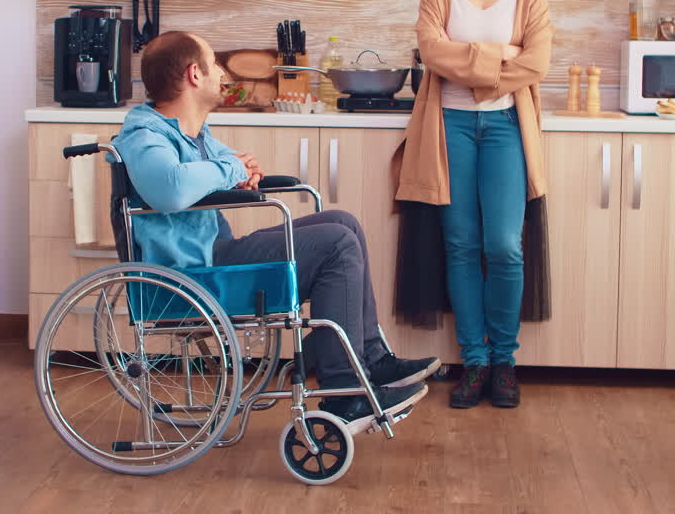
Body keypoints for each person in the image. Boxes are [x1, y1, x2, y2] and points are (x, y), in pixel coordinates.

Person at [112, 30, 438, 430]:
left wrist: (237, 169)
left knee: (341, 222)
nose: (221, 73)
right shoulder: (145, 133)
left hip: (212, 256)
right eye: (214, 64)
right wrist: (232, 169)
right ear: (194, 74)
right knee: (335, 243)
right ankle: (345, 392)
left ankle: (370, 359)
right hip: (190, 276)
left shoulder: (191, 134)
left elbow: (223, 166)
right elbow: (171, 187)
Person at [396, 0, 554, 409]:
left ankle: (504, 360)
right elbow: (432, 53)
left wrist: (476, 66)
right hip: (450, 128)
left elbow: (537, 64)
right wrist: (499, 55)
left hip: (507, 126)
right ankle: (475, 361)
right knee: (461, 244)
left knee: (504, 246)